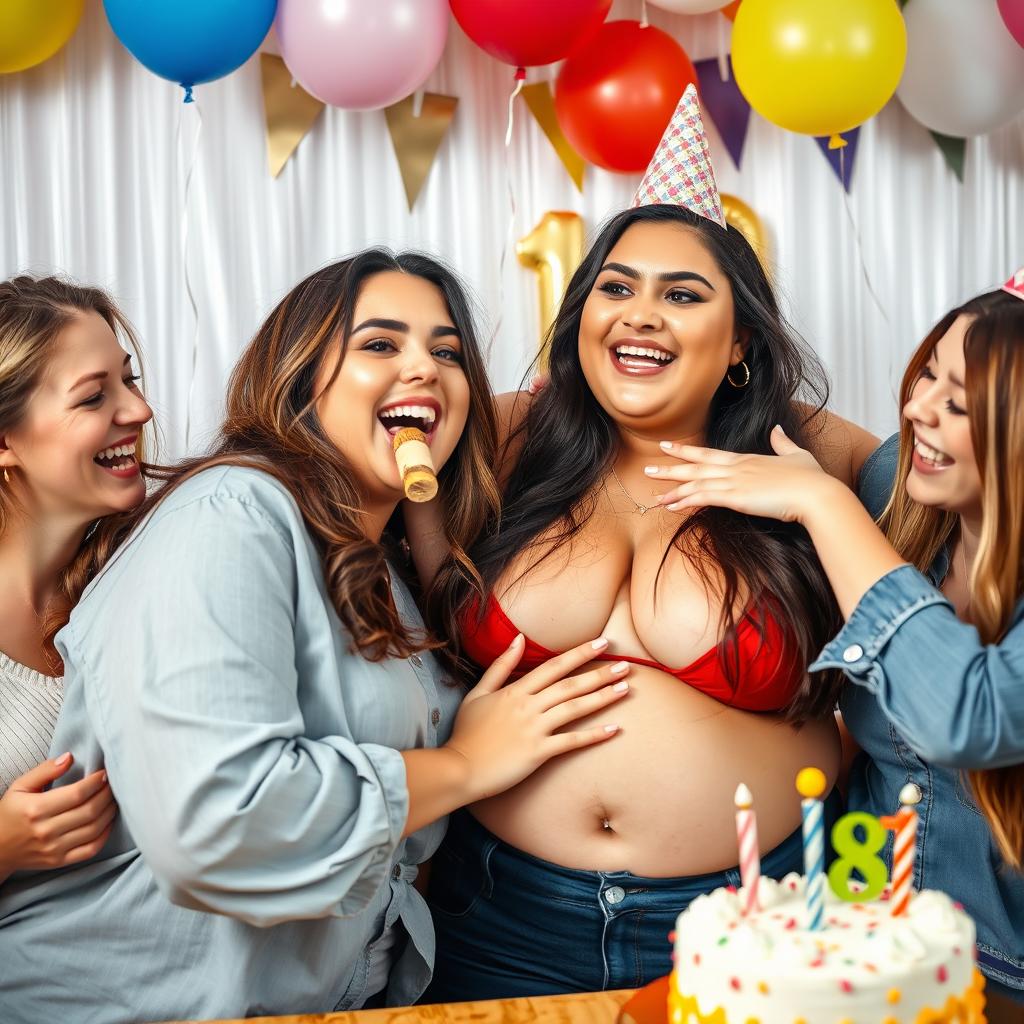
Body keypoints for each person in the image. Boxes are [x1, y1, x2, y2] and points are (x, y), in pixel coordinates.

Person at [0, 250, 630, 1023]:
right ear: (302, 381)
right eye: (379, 344)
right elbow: (222, 818)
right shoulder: (232, 512)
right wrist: (464, 764)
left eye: (446, 352)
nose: (424, 369)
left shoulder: (379, 563)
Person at [424, 88, 878, 1000]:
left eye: (682, 294)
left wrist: (807, 481)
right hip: (499, 907)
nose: (639, 313)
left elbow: (956, 474)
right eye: (616, 289)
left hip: (759, 913)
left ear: (740, 342)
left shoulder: (803, 466)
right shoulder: (506, 444)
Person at [648, 278, 1024, 1007]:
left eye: (959, 404)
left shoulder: (854, 507)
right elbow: (769, 420)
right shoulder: (898, 485)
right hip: (855, 939)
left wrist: (823, 502)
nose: (916, 411)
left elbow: (965, 716)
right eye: (927, 375)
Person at [0, 276, 152, 885]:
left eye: (129, 379)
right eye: (93, 398)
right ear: (6, 441)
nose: (139, 411)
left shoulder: (141, 574)